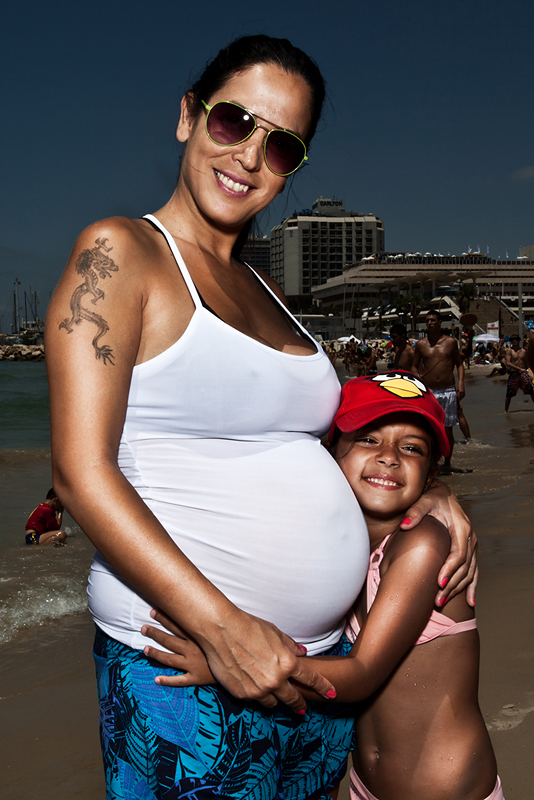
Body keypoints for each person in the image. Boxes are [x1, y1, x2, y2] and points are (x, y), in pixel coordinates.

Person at [45, 35, 476, 800]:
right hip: (189, 669)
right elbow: (80, 474)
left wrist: (429, 493)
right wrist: (224, 628)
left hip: (316, 686)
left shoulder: (270, 292)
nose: (249, 155)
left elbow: (341, 446)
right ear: (188, 116)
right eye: (232, 122)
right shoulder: (119, 254)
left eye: (281, 146)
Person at [145, 373, 502, 800]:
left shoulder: (423, 544)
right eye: (369, 439)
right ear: (330, 454)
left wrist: (231, 665)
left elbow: (363, 674)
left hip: (444, 789)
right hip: (365, 784)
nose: (389, 457)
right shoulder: (341, 547)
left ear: (429, 475)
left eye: (411, 448)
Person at [412, 310, 465, 472]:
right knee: (428, 428)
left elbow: (459, 364)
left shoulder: (450, 342)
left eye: (433, 320)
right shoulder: (421, 345)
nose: (429, 323)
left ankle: (447, 462)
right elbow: (414, 365)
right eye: (427, 320)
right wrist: (416, 374)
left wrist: (461, 383)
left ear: (440, 322)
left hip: (448, 390)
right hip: (429, 392)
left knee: (448, 428)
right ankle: (431, 462)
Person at [504, 333, 534, 412]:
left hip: (523, 373)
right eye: (513, 340)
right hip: (514, 373)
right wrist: (519, 368)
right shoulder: (509, 351)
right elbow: (508, 363)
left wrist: (530, 373)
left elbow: (527, 363)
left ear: (519, 341)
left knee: (531, 390)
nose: (514, 341)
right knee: (509, 393)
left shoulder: (523, 351)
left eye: (516, 340)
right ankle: (506, 411)